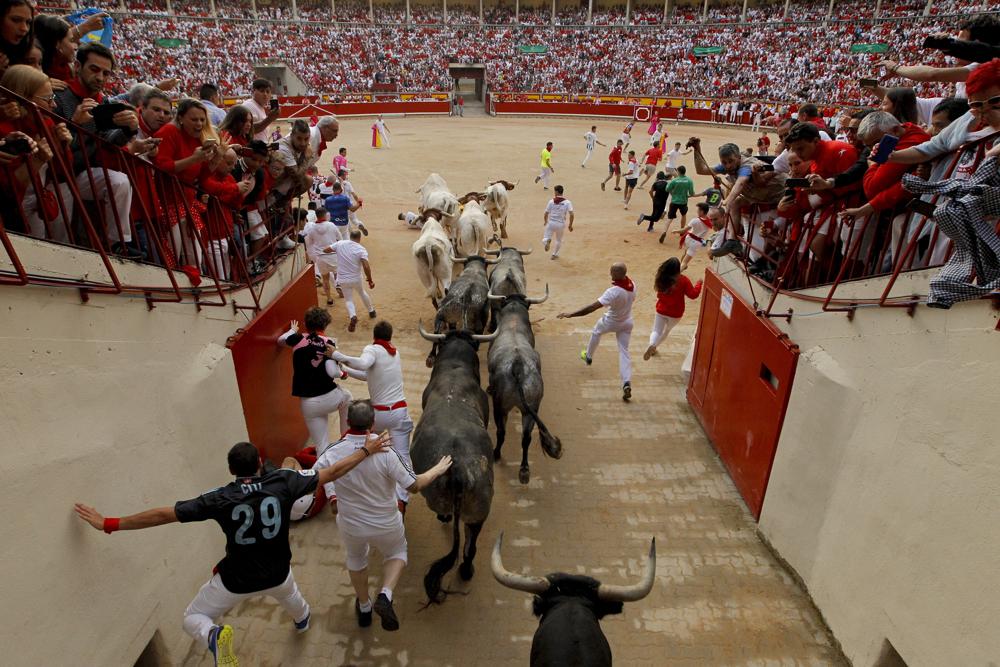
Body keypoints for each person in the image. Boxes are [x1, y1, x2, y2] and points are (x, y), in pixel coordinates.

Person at [73, 435, 392, 667]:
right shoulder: (283, 482)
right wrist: (367, 449)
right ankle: (303, 622)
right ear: (258, 464)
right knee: (293, 598)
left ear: (232, 470)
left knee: (192, 618)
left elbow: (163, 515)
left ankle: (212, 637)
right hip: (278, 572)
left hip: (235, 581)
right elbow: (332, 472)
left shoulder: (220, 497)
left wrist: (109, 523)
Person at [313, 400, 452, 631]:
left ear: (347, 422)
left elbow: (318, 478)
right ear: (373, 423)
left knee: (356, 559)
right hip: (386, 523)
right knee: (397, 552)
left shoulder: (334, 451)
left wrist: (333, 498)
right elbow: (414, 486)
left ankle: (365, 608)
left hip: (351, 525)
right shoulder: (387, 452)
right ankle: (385, 595)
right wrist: (437, 469)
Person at [52, 42, 141, 258]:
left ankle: (119, 243)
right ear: (79, 65)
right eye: (94, 69)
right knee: (59, 239)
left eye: (106, 73)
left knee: (119, 181)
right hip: (55, 174)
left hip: (82, 172)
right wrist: (76, 124)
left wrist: (129, 130)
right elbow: (57, 144)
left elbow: (108, 140)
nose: (101, 77)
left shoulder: (105, 101)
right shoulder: (60, 96)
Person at [332, 321, 414, 508]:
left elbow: (363, 364)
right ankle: (401, 500)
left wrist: (337, 355)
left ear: (374, 336)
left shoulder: (373, 349)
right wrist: (345, 370)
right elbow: (368, 375)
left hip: (378, 415)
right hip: (399, 412)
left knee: (364, 448)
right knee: (402, 455)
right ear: (390, 336)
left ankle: (360, 485)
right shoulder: (394, 353)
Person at [557, 262, 636, 402]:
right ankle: (626, 383)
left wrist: (571, 314)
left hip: (611, 321)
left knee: (596, 332)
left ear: (615, 274)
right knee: (624, 351)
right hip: (627, 322)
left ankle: (588, 356)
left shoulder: (613, 291)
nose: (610, 274)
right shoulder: (633, 285)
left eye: (611, 272)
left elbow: (591, 308)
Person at [278, 307, 353, 450]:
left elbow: (280, 340)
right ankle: (345, 438)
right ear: (325, 325)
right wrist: (343, 374)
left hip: (309, 404)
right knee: (347, 397)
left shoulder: (298, 339)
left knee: (321, 447)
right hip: (330, 398)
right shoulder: (328, 342)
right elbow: (332, 371)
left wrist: (293, 330)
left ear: (306, 324)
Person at [643, 257, 702, 361]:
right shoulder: (683, 280)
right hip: (675, 313)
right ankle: (655, 346)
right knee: (666, 331)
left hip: (661, 309)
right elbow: (693, 295)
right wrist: (699, 284)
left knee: (656, 330)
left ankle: (652, 344)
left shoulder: (661, 277)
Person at [331, 228, 376, 332]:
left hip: (343, 278)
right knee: (362, 293)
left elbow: (327, 249)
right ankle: (371, 311)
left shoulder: (340, 244)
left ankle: (353, 316)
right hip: (356, 278)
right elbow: (366, 266)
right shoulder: (361, 249)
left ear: (350, 237)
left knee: (348, 299)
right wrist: (370, 280)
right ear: (359, 238)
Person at [302, 208, 340, 304]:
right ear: (325, 215)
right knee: (337, 275)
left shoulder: (312, 229)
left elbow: (309, 243)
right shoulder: (331, 225)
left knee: (325, 279)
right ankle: (339, 286)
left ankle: (329, 298)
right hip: (333, 255)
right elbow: (340, 239)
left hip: (320, 257)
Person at [673, 201, 713, 269]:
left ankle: (680, 267)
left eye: (698, 210)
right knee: (685, 262)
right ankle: (679, 271)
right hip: (696, 243)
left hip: (688, 239)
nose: (697, 211)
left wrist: (675, 231)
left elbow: (684, 230)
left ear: (702, 211)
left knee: (685, 253)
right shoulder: (710, 222)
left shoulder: (695, 220)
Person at [240, 78, 280, 142]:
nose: (265, 94)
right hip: (253, 149)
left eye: (267, 91)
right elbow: (249, 129)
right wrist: (270, 118)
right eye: (262, 91)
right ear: (254, 91)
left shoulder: (259, 106)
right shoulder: (249, 105)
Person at [662, 165, 695, 242]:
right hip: (683, 201)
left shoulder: (674, 180)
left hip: (674, 201)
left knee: (670, 218)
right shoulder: (689, 180)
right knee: (683, 215)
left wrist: (673, 193)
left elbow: (667, 189)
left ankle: (664, 231)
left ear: (678, 172)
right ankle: (682, 231)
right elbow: (691, 193)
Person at [542, 184, 574, 260]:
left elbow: (546, 213)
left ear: (556, 192)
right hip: (560, 224)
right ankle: (554, 254)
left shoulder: (551, 201)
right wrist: (570, 225)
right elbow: (571, 214)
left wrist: (545, 221)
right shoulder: (567, 202)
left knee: (545, 238)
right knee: (559, 240)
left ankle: (547, 241)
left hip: (551, 223)